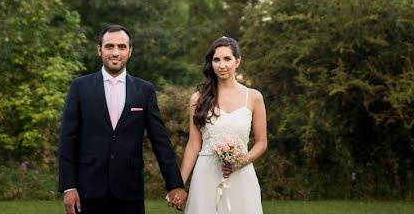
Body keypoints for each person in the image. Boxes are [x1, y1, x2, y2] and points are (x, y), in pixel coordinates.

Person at [58, 25, 189, 213]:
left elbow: (160, 141)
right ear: (99, 50)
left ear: (130, 51)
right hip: (88, 190)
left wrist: (175, 184)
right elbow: (67, 139)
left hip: (129, 190)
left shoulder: (145, 90)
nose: (115, 52)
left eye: (121, 47)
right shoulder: (80, 87)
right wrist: (69, 186)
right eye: (109, 47)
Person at [179, 36, 267, 214]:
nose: (222, 65)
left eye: (227, 59)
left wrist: (241, 161)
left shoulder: (254, 97)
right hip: (206, 174)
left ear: (238, 61)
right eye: (216, 59)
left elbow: (261, 142)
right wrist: (178, 185)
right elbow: (193, 144)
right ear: (211, 63)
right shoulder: (198, 98)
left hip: (241, 175)